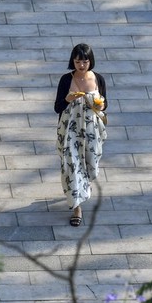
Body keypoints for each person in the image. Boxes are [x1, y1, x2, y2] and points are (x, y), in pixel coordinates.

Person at [54, 43, 108, 226]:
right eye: (78, 62)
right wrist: (67, 99)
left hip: (92, 130)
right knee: (72, 166)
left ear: (90, 61)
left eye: (85, 61)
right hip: (70, 131)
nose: (82, 65)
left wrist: (100, 106)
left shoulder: (98, 78)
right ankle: (77, 207)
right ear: (73, 62)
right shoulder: (65, 80)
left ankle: (82, 190)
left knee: (90, 165)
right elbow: (57, 108)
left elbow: (104, 103)